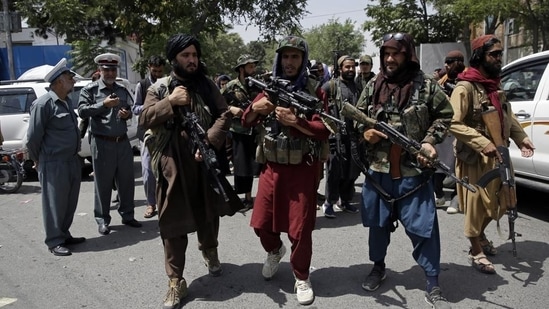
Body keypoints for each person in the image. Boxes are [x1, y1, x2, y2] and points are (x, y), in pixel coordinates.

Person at [139, 33, 242, 309]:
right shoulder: (160, 88)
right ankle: (175, 281)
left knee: (208, 210)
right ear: (175, 58)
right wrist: (170, 102)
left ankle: (210, 250)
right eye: (186, 55)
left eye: (195, 55)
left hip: (202, 158)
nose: (192, 60)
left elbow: (224, 114)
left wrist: (209, 140)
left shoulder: (206, 85)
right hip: (171, 162)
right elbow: (144, 118)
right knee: (173, 220)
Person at [354, 32, 453, 308]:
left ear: (407, 54)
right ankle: (378, 267)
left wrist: (430, 142)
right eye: (385, 53)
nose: (389, 58)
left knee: (425, 228)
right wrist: (366, 131)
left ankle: (433, 281)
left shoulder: (426, 85)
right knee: (377, 224)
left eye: (395, 53)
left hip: (414, 174)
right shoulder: (373, 84)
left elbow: (445, 116)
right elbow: (352, 119)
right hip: (379, 172)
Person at [242, 35, 332, 306]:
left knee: (300, 230)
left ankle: (301, 275)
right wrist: (256, 108)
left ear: (303, 59)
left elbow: (325, 129)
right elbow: (246, 120)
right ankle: (274, 250)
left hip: (302, 169)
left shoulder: (317, 89)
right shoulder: (268, 87)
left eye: (295, 57)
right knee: (260, 224)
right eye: (285, 56)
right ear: (278, 59)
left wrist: (297, 122)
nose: (289, 62)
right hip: (272, 168)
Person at [448, 34, 535, 275]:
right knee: (477, 206)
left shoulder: (494, 85)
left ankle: (481, 236)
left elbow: (506, 116)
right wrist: (481, 141)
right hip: (476, 157)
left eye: (499, 54)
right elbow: (452, 122)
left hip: (500, 153)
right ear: (480, 57)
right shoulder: (465, 87)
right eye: (493, 54)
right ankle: (476, 249)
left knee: (502, 203)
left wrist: (522, 137)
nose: (499, 58)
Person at [26, 58, 85, 256]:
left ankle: (64, 233)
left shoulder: (66, 102)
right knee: (54, 204)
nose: (73, 81)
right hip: (54, 162)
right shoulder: (43, 104)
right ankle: (54, 240)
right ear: (59, 81)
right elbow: (33, 137)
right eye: (70, 78)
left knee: (69, 202)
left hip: (71, 160)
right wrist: (37, 160)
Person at [78, 52, 141, 236]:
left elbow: (129, 109)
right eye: (107, 70)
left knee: (127, 181)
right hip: (102, 141)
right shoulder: (89, 90)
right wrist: (103, 105)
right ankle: (103, 219)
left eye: (113, 70)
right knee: (103, 183)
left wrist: (126, 114)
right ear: (100, 70)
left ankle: (128, 215)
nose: (111, 73)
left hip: (121, 141)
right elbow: (82, 111)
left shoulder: (122, 90)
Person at [321, 55, 361, 218]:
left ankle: (345, 201)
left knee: (351, 170)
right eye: (347, 67)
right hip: (335, 135)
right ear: (340, 69)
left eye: (352, 67)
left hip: (353, 135)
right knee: (334, 170)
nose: (351, 70)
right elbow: (320, 108)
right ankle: (329, 202)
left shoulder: (357, 86)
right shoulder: (330, 86)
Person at [222, 54, 260, 210]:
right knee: (240, 166)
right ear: (242, 68)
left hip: (255, 130)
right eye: (250, 66)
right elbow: (218, 103)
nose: (253, 69)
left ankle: (249, 197)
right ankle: (241, 197)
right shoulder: (231, 86)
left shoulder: (257, 85)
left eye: (253, 66)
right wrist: (231, 109)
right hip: (238, 130)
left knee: (253, 164)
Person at [133, 55, 166, 218]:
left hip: (165, 131)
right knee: (147, 170)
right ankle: (150, 203)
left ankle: (165, 202)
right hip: (147, 133)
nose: (157, 74)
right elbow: (135, 108)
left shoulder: (167, 84)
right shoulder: (142, 85)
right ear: (149, 68)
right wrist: (150, 108)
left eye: (160, 71)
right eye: (155, 71)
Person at [434, 50, 467, 214]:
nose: (446, 65)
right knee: (437, 164)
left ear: (459, 63)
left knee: (458, 167)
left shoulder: (468, 81)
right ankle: (439, 195)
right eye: (445, 62)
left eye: (450, 62)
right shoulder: (441, 82)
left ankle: (456, 199)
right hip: (442, 130)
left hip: (460, 130)